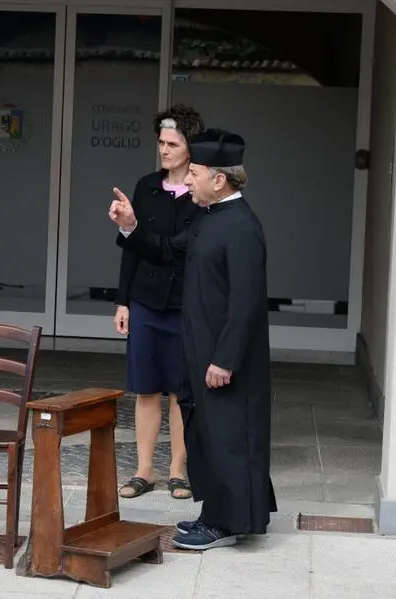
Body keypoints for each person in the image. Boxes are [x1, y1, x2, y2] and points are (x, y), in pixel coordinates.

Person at [109, 128, 277, 550]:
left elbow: (247, 303)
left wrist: (224, 359)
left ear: (218, 179)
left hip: (224, 358)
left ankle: (227, 524)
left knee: (229, 437)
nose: (186, 180)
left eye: (195, 173)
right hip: (202, 351)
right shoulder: (210, 217)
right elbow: (168, 250)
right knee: (209, 435)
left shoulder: (240, 226)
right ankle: (215, 515)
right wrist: (131, 227)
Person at [114, 104, 205, 501]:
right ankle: (144, 470)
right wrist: (123, 302)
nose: (164, 150)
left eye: (172, 143)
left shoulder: (202, 193)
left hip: (186, 303)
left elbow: (178, 251)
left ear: (190, 147)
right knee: (146, 388)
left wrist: (132, 230)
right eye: (161, 143)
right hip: (146, 301)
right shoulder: (146, 185)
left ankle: (178, 472)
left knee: (180, 392)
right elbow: (131, 252)